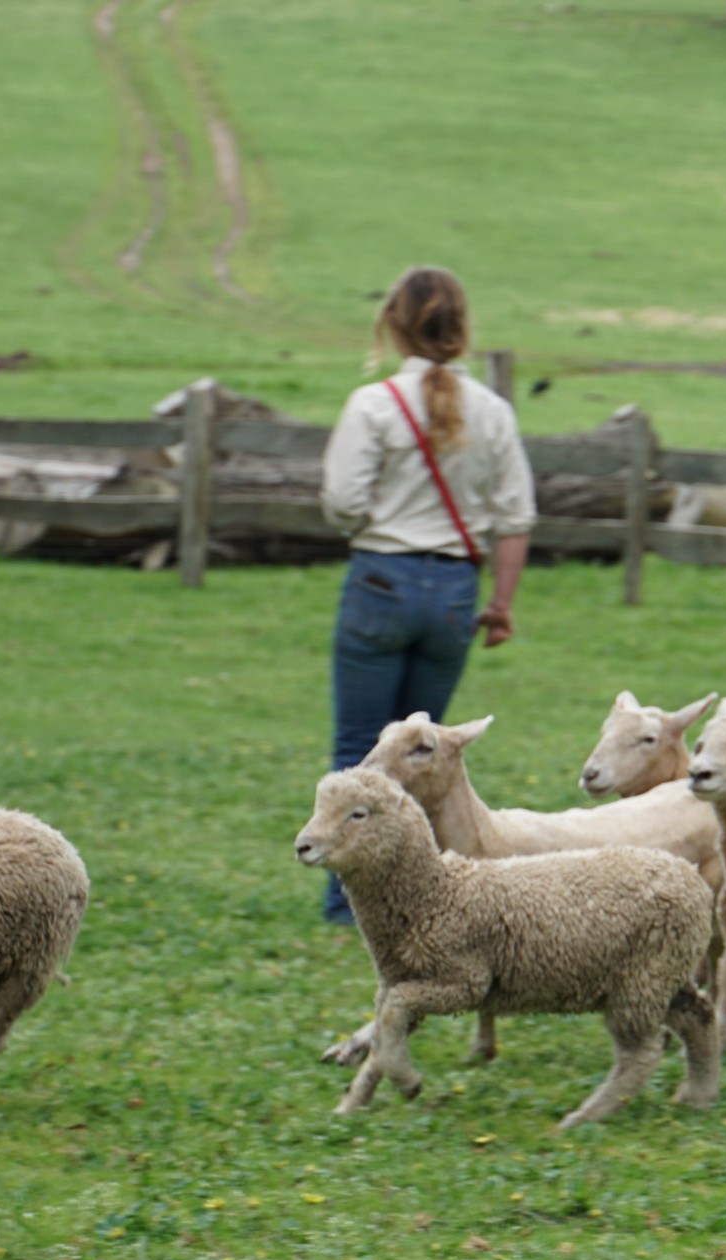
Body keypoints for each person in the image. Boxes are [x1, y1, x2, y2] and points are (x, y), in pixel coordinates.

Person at [317, 266, 536, 923]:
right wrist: (500, 604)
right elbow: (515, 516)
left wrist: (369, 522)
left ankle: (348, 904)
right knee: (421, 760)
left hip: (380, 580)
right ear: (462, 329)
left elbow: (342, 502)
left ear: (393, 324)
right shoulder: (493, 412)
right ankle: (418, 899)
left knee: (361, 743)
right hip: (452, 592)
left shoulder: (374, 404)